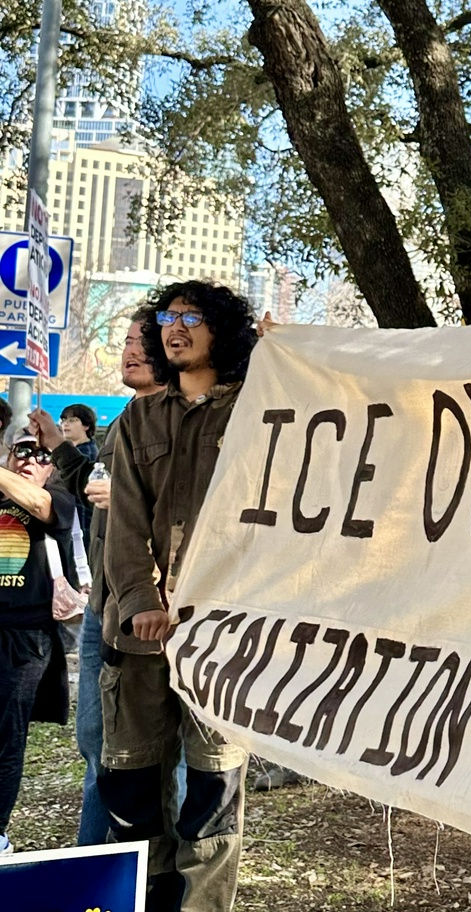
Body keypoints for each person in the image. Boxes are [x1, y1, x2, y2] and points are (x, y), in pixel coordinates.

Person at [100, 280, 257, 912]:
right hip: (137, 640)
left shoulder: (262, 410)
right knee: (132, 786)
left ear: (224, 330)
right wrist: (140, 600)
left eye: (193, 316)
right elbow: (126, 524)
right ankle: (149, 902)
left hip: (223, 643)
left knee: (214, 792)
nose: (176, 326)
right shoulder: (139, 418)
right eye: (168, 316)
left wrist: (291, 356)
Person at [30, 307, 167, 847]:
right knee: (95, 744)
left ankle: (138, 873)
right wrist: (60, 449)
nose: (129, 349)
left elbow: (201, 512)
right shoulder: (127, 421)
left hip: (148, 616)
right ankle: (94, 867)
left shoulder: (185, 423)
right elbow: (97, 485)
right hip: (101, 610)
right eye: (127, 339)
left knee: (146, 757)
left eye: (142, 341)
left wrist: (132, 500)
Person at [0, 433, 78, 855]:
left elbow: (38, 505)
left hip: (25, 638)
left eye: (42, 454)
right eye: (22, 450)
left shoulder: (57, 500)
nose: (31, 459)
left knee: (6, 737)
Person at [59, 403, 99, 534]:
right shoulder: (77, 450)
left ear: (86, 426)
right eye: (63, 420)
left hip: (82, 525)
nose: (65, 424)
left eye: (72, 420)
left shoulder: (87, 454)